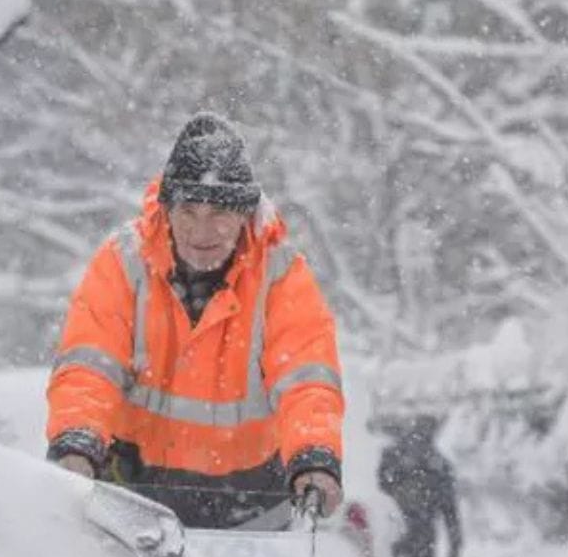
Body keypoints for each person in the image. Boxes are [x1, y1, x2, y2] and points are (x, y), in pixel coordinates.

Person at [45, 111, 344, 532]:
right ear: (166, 209)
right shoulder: (124, 263)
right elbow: (90, 367)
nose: (202, 230)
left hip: (251, 509)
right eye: (188, 210)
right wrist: (77, 441)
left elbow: (305, 380)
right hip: (134, 500)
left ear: (245, 214)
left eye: (220, 211)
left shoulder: (281, 276)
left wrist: (315, 454)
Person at [377, 414, 463, 557]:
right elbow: (449, 508)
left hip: (399, 529)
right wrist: (455, 541)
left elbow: (378, 492)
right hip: (420, 530)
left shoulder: (393, 456)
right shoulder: (438, 463)